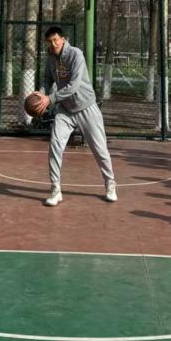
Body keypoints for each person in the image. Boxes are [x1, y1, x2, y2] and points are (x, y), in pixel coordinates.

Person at [33, 26, 117, 206]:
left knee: (100, 149)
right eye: (49, 41)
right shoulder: (50, 58)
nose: (53, 44)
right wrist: (41, 94)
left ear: (63, 39)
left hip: (86, 106)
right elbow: (47, 80)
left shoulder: (75, 55)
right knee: (55, 145)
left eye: (55, 40)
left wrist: (50, 99)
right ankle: (55, 190)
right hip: (65, 109)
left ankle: (110, 183)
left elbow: (74, 85)